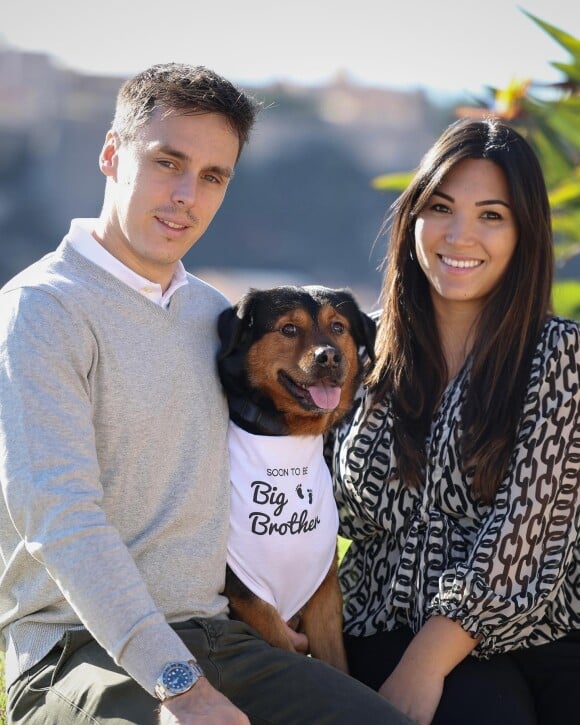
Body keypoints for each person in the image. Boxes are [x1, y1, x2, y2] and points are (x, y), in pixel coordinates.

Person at [0, 63, 412, 725]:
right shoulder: (41, 312)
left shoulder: (217, 318)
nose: (186, 195)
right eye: (168, 162)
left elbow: (270, 478)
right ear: (111, 153)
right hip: (78, 650)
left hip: (226, 637)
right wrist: (181, 686)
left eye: (213, 176)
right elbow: (63, 521)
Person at [329, 116, 580, 725]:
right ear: (413, 216)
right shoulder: (355, 348)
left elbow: (522, 540)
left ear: (524, 233)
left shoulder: (559, 356)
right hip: (370, 626)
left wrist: (422, 668)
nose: (460, 234)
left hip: (530, 638)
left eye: (491, 215)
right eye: (441, 207)